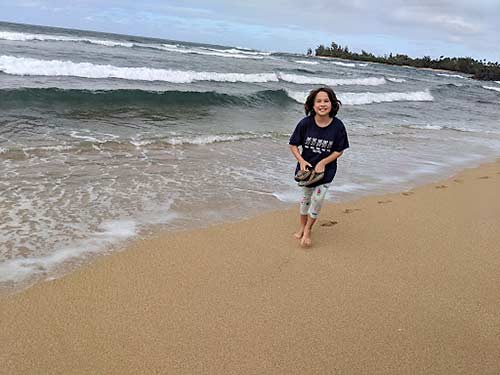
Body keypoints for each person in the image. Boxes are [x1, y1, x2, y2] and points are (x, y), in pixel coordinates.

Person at [289, 87, 349, 247]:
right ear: (312, 105)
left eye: (326, 101)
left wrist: (323, 162)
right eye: (319, 101)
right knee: (305, 199)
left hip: (326, 172)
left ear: (332, 104)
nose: (322, 104)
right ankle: (301, 226)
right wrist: (301, 161)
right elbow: (293, 145)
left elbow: (339, 150)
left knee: (317, 199)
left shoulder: (338, 126)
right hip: (306, 172)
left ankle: (308, 229)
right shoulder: (305, 123)